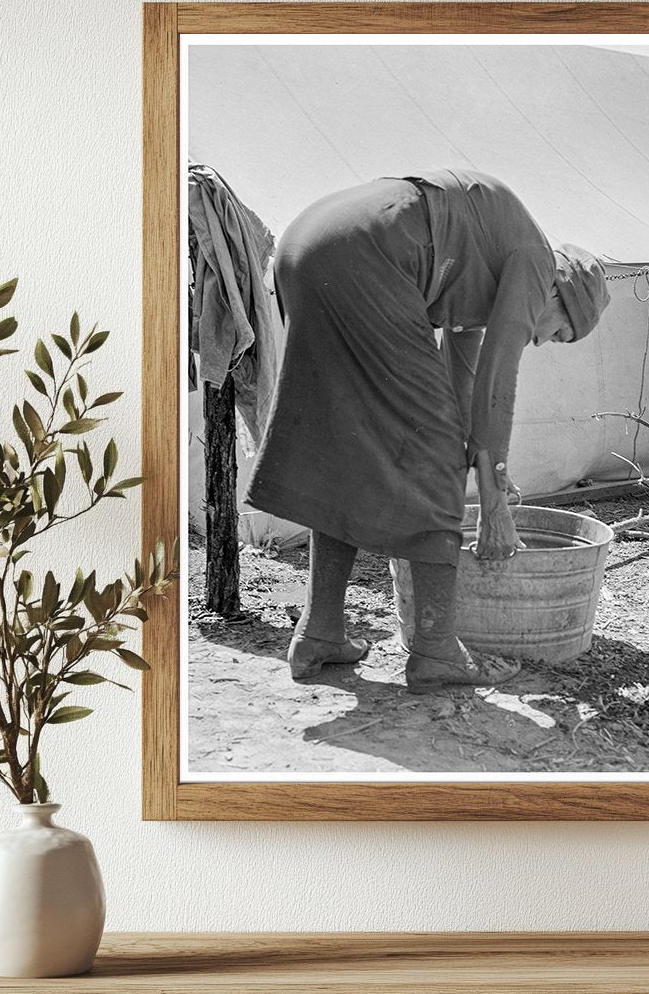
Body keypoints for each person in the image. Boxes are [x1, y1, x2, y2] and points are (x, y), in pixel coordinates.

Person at [244, 169, 610, 694]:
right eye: (560, 331)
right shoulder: (536, 260)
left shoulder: (486, 264)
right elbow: (498, 378)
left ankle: (319, 631)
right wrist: (492, 493)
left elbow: (461, 381)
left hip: (307, 248)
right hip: (367, 257)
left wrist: (477, 458)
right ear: (559, 292)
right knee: (430, 450)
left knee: (348, 445)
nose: (544, 341)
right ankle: (437, 649)